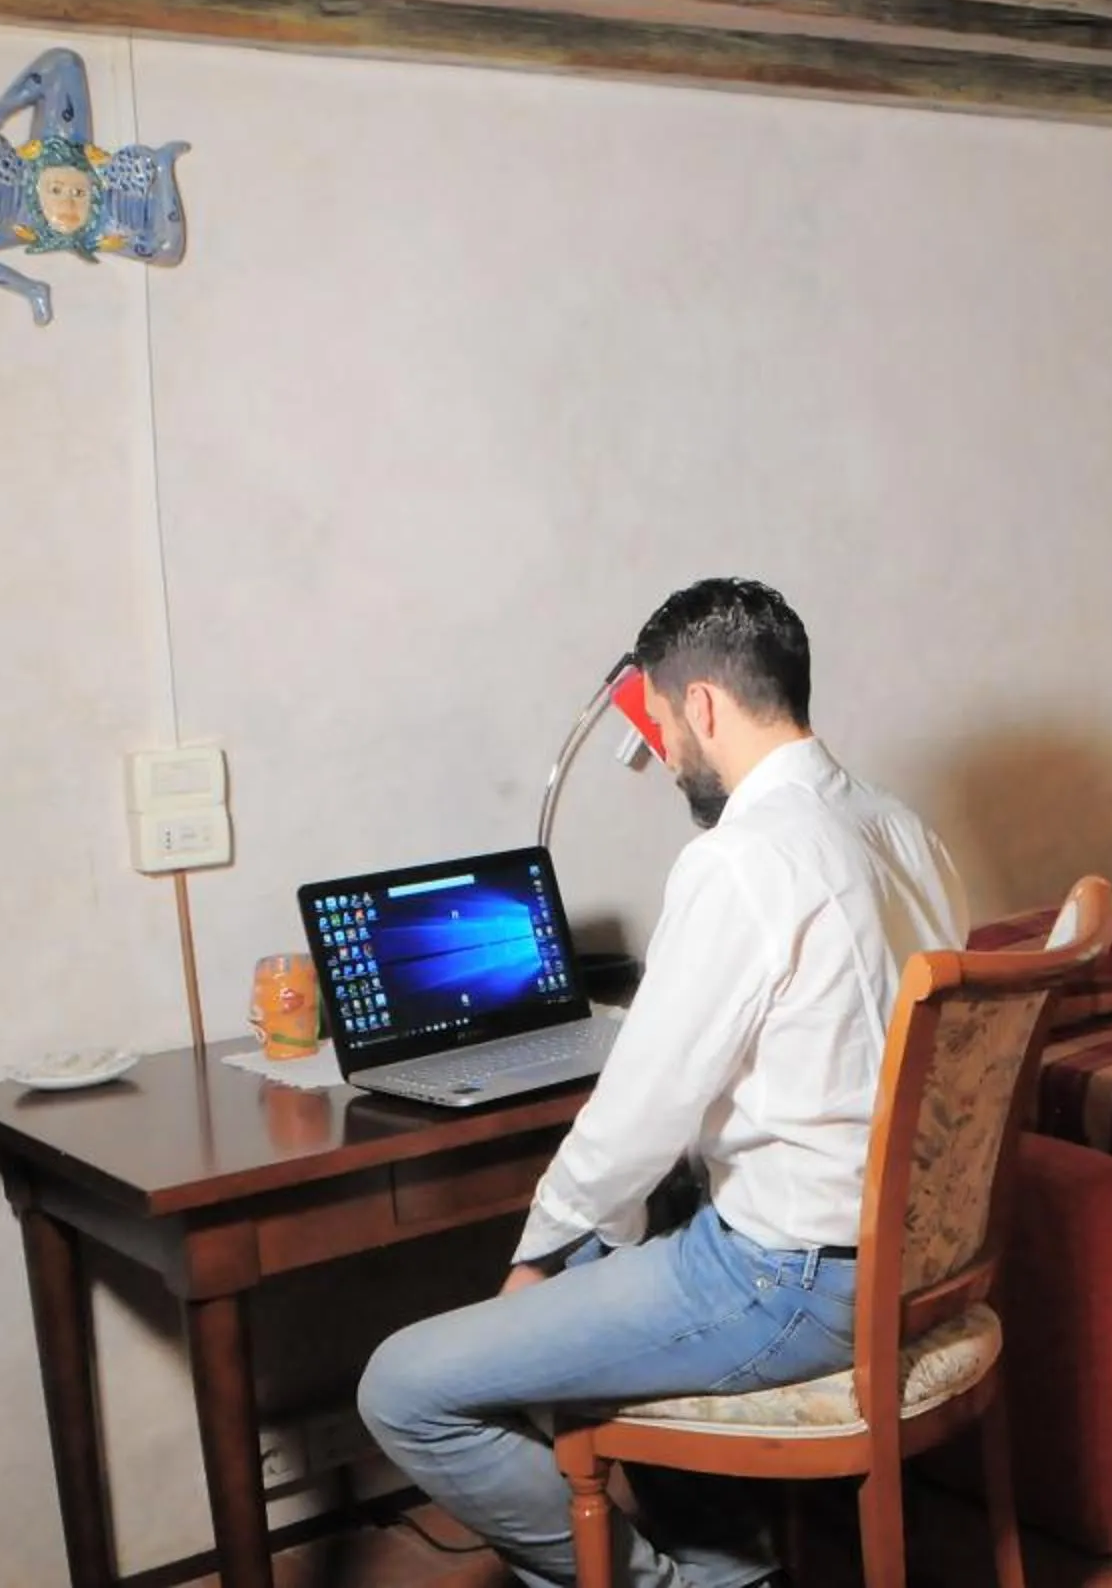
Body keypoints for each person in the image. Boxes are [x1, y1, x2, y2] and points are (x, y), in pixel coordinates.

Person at [360, 578, 969, 1588]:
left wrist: (537, 1251)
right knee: (627, 1229)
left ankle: (661, 1585)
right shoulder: (906, 832)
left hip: (797, 1283)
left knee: (403, 1387)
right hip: (915, 1254)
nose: (665, 759)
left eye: (661, 725)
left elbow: (639, 1117)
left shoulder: (741, 860)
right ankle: (733, 1568)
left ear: (703, 708)